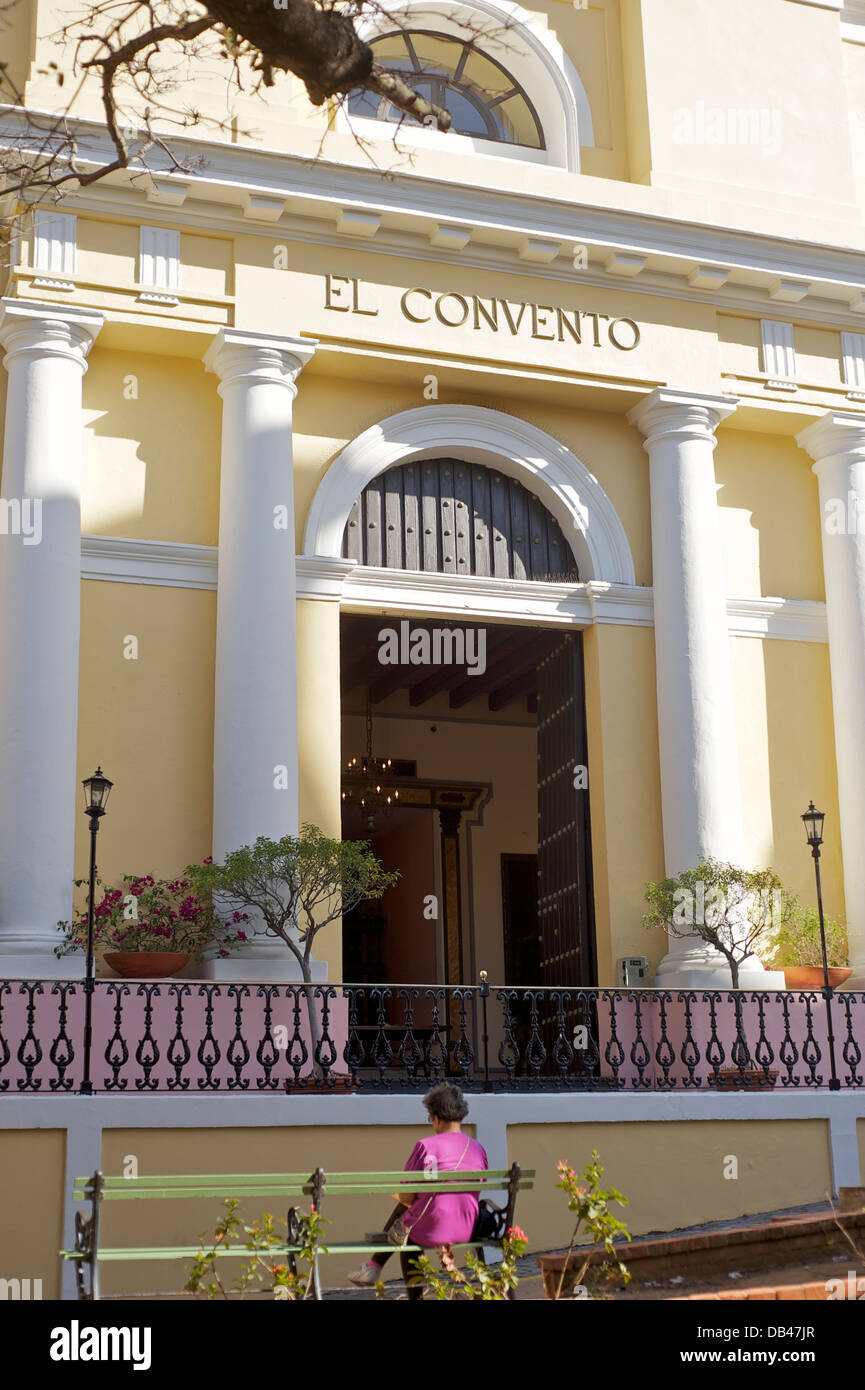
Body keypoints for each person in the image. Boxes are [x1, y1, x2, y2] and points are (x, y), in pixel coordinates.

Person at [348, 1082, 488, 1298]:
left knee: (407, 1224)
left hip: (431, 1229)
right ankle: (374, 1265)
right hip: (467, 1227)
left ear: (436, 1117)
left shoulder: (426, 1147)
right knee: (415, 1213)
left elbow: (407, 1197)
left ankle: (382, 1271)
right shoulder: (478, 1149)